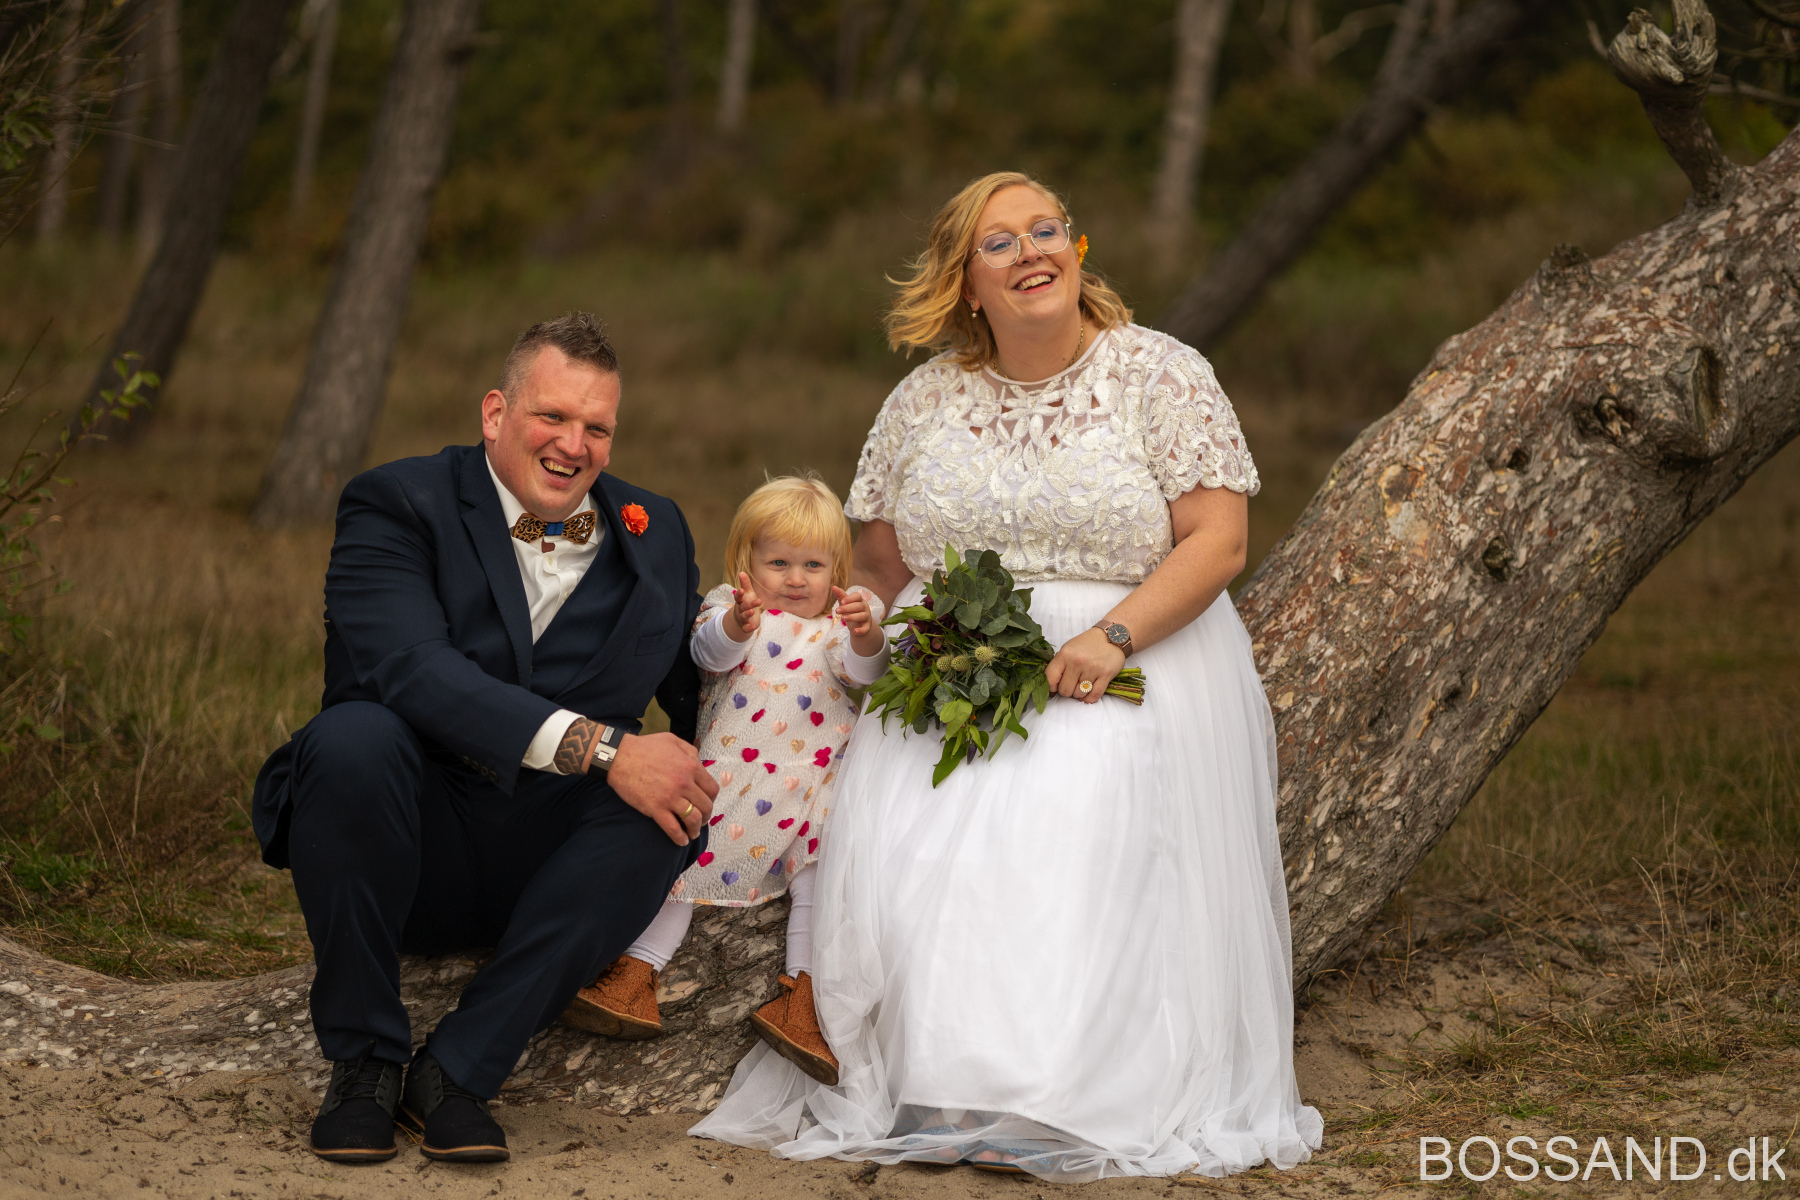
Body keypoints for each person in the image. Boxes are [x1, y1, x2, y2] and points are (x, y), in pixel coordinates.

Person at [691, 173, 1323, 1181]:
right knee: (908, 833)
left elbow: (1219, 540)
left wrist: (1112, 637)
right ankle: (948, 1090)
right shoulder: (924, 399)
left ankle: (1060, 1095)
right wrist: (872, 639)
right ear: (965, 283)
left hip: (1134, 651)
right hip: (951, 659)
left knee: (1073, 808)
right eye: (1000, 242)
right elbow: (881, 562)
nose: (1032, 251)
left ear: (1077, 250)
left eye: (1047, 230)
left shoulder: (1161, 373)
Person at [251, 313, 720, 1166]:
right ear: (496, 413)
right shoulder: (397, 502)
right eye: (553, 416)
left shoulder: (657, 528)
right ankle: (363, 1064)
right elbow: (412, 670)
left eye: (597, 427)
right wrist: (608, 750)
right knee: (352, 737)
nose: (574, 445)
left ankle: (458, 1073)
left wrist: (818, 652)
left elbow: (700, 690)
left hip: (552, 870)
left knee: (669, 807)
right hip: (402, 843)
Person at [562, 475, 889, 1086]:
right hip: (735, 777)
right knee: (687, 860)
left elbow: (865, 673)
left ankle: (802, 998)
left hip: (816, 784)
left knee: (819, 879)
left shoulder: (839, 627)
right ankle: (637, 973)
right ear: (746, 562)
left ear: (837, 570)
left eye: (814, 565)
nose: (796, 579)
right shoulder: (732, 610)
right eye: (778, 563)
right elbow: (709, 655)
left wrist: (867, 633)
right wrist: (738, 624)